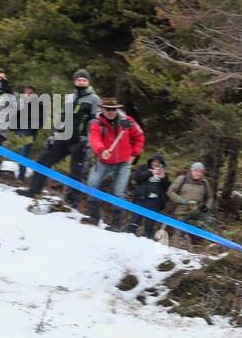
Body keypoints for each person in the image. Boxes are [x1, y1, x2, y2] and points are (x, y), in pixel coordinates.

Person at [17, 68, 99, 207]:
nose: (81, 82)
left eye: (84, 80)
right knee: (43, 160)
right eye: (79, 79)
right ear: (74, 81)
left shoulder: (94, 99)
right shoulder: (69, 97)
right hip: (63, 137)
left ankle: (73, 202)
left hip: (80, 140)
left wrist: (89, 140)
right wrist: (53, 135)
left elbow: (96, 121)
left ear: (88, 82)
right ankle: (34, 190)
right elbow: (61, 117)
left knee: (76, 172)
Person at [82, 96, 144, 228]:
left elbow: (140, 137)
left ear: (117, 109)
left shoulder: (127, 121)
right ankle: (94, 216)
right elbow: (94, 139)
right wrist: (101, 150)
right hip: (104, 161)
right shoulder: (96, 123)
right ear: (102, 109)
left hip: (123, 163)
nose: (111, 112)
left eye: (113, 109)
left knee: (118, 192)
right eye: (108, 109)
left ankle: (117, 223)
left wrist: (134, 154)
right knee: (91, 184)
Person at [167, 162, 216, 244]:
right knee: (180, 230)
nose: (199, 174)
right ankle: (177, 244)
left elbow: (210, 197)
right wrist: (183, 201)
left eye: (201, 172)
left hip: (197, 211)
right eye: (197, 171)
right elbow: (170, 192)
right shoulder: (182, 179)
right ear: (191, 170)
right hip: (182, 211)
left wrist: (207, 207)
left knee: (211, 221)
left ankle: (213, 243)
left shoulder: (204, 182)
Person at [128, 154, 170, 239]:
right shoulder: (143, 168)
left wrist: (163, 178)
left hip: (155, 202)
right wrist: (151, 172)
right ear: (150, 162)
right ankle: (128, 237)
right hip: (141, 199)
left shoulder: (164, 174)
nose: (156, 164)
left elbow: (168, 188)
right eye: (154, 161)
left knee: (149, 225)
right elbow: (136, 178)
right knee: (134, 221)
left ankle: (148, 241)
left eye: (158, 162)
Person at [13, 85, 42, 181]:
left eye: (30, 92)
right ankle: (20, 175)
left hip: (29, 132)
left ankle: (21, 176)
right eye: (26, 91)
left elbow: (41, 120)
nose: (28, 93)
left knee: (24, 153)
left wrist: (33, 128)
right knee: (20, 153)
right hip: (19, 131)